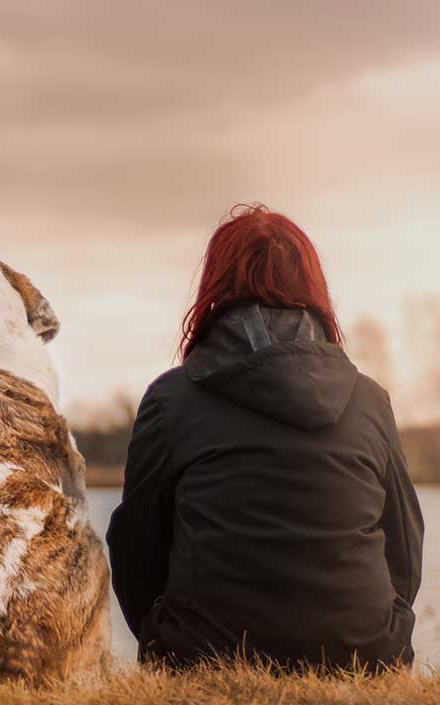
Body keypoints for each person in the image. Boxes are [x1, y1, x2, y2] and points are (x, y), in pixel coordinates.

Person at [105, 203, 424, 672]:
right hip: (365, 656)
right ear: (313, 288)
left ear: (215, 287)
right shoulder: (370, 400)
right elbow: (405, 548)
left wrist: (164, 636)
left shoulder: (172, 399)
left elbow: (135, 550)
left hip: (204, 657)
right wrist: (380, 629)